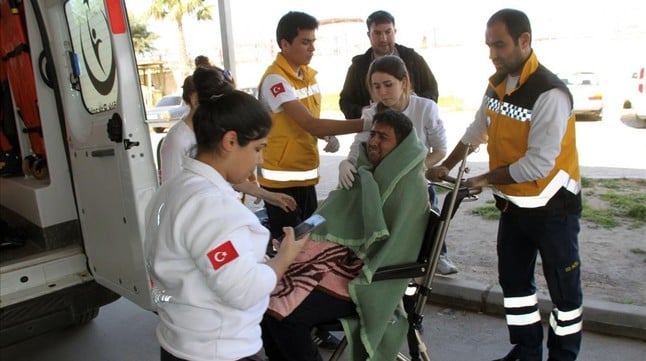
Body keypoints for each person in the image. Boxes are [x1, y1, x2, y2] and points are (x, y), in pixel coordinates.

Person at [427, 9, 583, 361]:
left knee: (564, 296)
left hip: (553, 209)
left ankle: (564, 356)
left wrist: (482, 179)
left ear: (524, 41)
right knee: (515, 287)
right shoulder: (497, 84)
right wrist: (445, 165)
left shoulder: (550, 93)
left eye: (500, 45)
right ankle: (525, 352)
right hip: (514, 207)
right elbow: (476, 131)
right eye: (489, 45)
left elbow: (538, 163)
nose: (493, 54)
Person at [143, 66, 309, 361]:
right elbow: (243, 290)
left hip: (181, 341)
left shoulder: (174, 189)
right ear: (230, 141)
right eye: (258, 148)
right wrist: (284, 257)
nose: (259, 159)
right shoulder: (211, 206)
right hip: (220, 350)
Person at [262, 110, 430, 361]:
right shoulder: (366, 173)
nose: (373, 141)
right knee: (262, 300)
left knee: (283, 314)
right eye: (373, 133)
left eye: (383, 137)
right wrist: (302, 237)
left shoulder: (410, 188)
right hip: (339, 263)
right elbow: (332, 216)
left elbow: (395, 250)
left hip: (368, 278)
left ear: (402, 146)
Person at [258, 12, 375, 347]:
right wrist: (363, 124)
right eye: (305, 42)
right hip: (281, 184)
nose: (311, 48)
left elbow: (308, 125)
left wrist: (326, 137)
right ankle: (286, 321)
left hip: (304, 175)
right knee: (289, 252)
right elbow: (309, 123)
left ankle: (307, 321)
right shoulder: (274, 80)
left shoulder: (306, 74)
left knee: (307, 245)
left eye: (313, 41)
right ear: (284, 44)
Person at [336, 54, 456, 275]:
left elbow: (440, 149)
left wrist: (419, 167)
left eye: (388, 85)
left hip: (416, 183)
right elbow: (358, 147)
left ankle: (438, 256)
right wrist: (345, 163)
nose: (383, 92)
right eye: (376, 86)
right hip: (384, 186)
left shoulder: (426, 108)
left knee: (430, 222)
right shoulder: (371, 113)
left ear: (404, 82)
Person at [160, 69, 296, 212]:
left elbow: (223, 175)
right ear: (195, 100)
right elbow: (173, 195)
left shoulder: (215, 131)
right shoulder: (177, 140)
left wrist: (267, 195)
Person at [339, 10, 439, 120]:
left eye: (388, 32)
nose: (383, 38)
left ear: (395, 31)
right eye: (377, 33)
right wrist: (366, 112)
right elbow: (345, 103)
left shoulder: (413, 59)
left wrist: (415, 103)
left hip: (414, 126)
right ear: (369, 35)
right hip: (374, 130)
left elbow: (432, 91)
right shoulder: (358, 67)